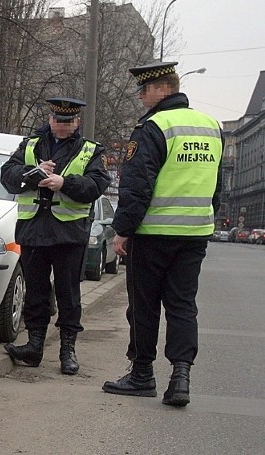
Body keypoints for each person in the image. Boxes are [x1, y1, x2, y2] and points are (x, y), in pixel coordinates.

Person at [102, 62, 223, 407]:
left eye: (145, 89)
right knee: (183, 305)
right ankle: (181, 377)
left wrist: (123, 231)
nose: (141, 96)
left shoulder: (154, 126)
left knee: (144, 305)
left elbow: (137, 187)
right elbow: (215, 185)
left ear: (163, 89)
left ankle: (142, 376)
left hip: (153, 232)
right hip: (195, 233)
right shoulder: (212, 126)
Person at [0, 97, 111, 375]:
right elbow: (7, 176)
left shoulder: (91, 150)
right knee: (35, 291)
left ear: (77, 123)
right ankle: (34, 346)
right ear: (50, 120)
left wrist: (65, 182)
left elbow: (96, 185)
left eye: (68, 122)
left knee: (68, 294)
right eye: (57, 121)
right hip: (34, 229)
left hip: (69, 233)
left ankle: (67, 350)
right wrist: (34, 173)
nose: (62, 126)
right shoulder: (31, 145)